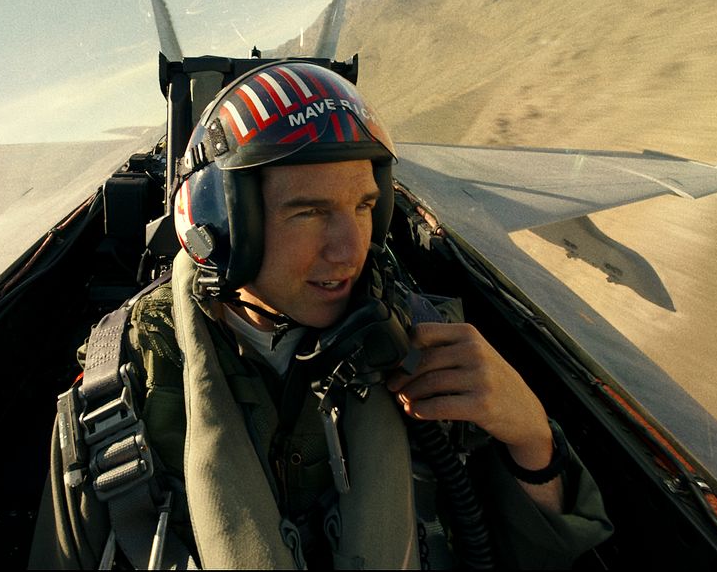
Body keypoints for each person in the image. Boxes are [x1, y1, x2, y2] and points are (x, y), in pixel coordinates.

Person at [31, 61, 611, 569]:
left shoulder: (429, 344)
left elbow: (531, 555)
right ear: (223, 225)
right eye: (309, 213)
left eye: (363, 206)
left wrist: (530, 436)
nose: (350, 250)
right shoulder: (122, 392)